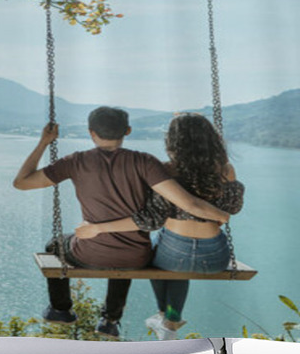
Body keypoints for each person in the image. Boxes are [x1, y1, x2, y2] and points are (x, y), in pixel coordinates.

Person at [13, 106, 231, 339]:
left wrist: (44, 142)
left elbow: (22, 182)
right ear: (127, 130)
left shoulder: (74, 162)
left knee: (55, 244)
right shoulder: (146, 162)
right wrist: (219, 213)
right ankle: (111, 320)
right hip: (137, 256)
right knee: (128, 253)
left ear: (91, 132)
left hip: (89, 253)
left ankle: (61, 309)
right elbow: (184, 203)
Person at [75, 112, 244, 340]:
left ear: (173, 141)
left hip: (174, 252)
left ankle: (168, 317)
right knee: (171, 262)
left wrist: (99, 227)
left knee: (155, 256)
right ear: (210, 139)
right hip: (215, 256)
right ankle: (169, 321)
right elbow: (232, 209)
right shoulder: (225, 169)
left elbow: (150, 219)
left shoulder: (166, 171)